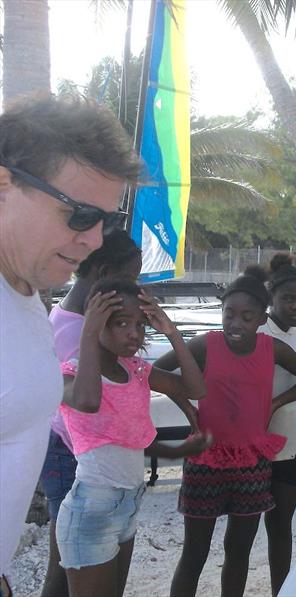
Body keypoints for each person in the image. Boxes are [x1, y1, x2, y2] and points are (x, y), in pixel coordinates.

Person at [0, 94, 140, 595]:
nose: (97, 240)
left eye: (106, 219)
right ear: (4, 185)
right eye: (80, 215)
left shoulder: (27, 293)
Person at [161, 266, 296, 597]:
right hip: (205, 460)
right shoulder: (207, 344)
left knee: (238, 551)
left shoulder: (272, 349)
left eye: (247, 317)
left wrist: (277, 403)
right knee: (195, 552)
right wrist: (188, 407)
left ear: (262, 319)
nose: (236, 323)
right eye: (229, 314)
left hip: (251, 462)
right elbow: (156, 371)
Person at [57, 278, 210, 596]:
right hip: (92, 508)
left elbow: (196, 389)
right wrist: (87, 332)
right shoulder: (68, 374)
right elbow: (87, 401)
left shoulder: (136, 370)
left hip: (129, 502)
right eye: (120, 323)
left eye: (140, 324)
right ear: (97, 322)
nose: (134, 333)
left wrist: (171, 332)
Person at [39, 230, 143, 597]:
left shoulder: (71, 319)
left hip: (81, 455)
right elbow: (85, 406)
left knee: (70, 567)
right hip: (73, 455)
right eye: (129, 279)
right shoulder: (77, 332)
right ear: (102, 274)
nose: (134, 288)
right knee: (64, 569)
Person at [258, 255, 296, 596]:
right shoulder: (259, 332)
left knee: (281, 524)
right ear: (271, 297)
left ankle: (280, 590)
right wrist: (281, 400)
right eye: (288, 298)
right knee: (248, 523)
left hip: (291, 442)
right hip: (258, 443)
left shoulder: (295, 333)